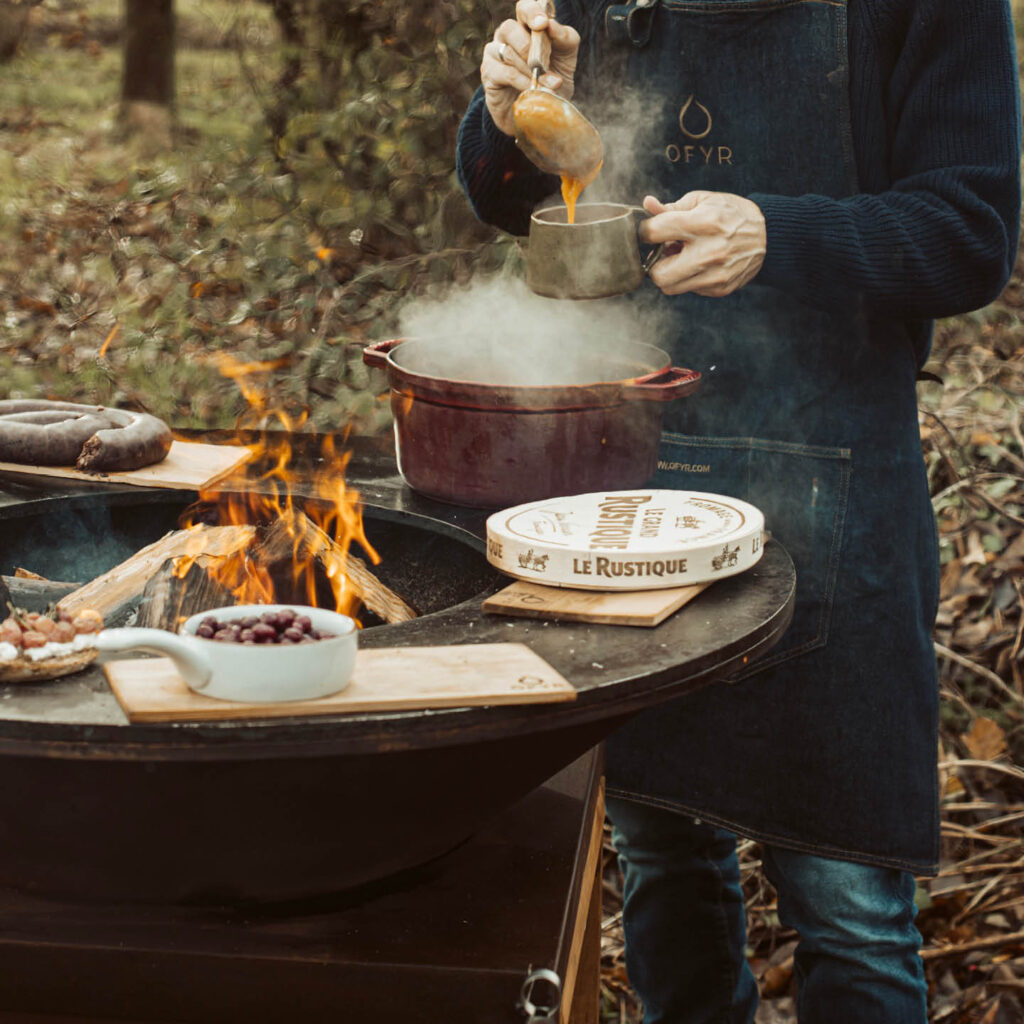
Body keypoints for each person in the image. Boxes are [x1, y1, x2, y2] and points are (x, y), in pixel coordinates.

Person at [456, 1, 1022, 1022]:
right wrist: (511, 117)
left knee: (846, 901)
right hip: (626, 481)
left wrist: (780, 234)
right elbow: (511, 205)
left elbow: (970, 234)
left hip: (833, 486)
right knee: (662, 855)